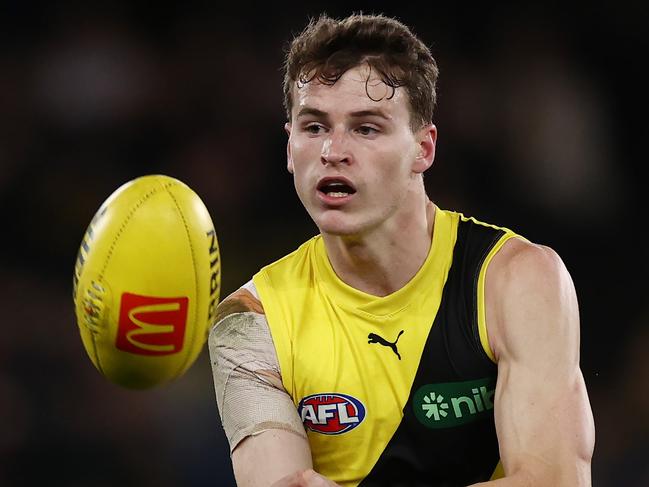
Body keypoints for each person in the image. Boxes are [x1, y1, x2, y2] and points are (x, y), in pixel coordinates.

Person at [208, 13, 595, 487]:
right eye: (313, 127)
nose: (333, 149)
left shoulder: (518, 280)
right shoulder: (250, 323)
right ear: (289, 147)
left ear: (423, 148)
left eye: (366, 128)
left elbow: (556, 481)